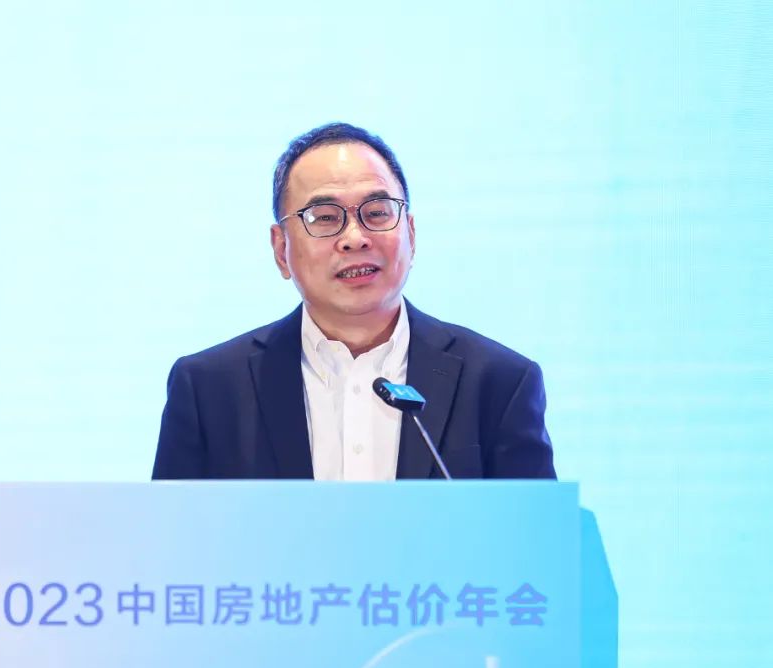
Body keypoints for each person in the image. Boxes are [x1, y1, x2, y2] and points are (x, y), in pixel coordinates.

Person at [152, 123, 555, 481]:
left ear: (411, 235)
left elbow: (537, 538)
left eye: (376, 213)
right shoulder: (209, 389)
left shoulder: (500, 383)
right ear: (280, 250)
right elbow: (173, 539)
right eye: (325, 218)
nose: (355, 238)